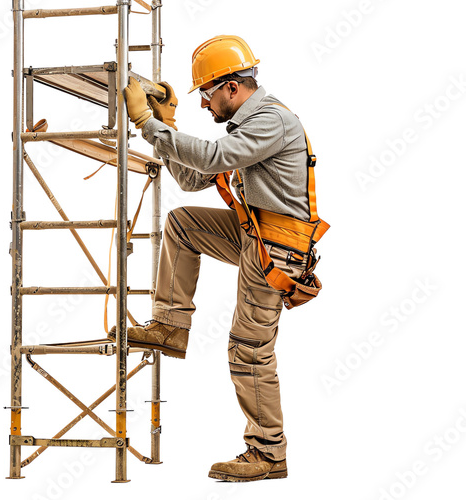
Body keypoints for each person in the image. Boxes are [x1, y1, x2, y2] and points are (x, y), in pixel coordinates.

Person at [111, 35, 328, 482]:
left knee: (249, 350)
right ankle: (170, 326)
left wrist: (146, 123)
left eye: (207, 94)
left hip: (276, 249)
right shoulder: (248, 129)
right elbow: (194, 176)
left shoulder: (272, 122)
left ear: (232, 86)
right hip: (256, 235)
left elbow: (211, 156)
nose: (205, 105)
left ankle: (268, 453)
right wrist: (161, 121)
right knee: (184, 222)